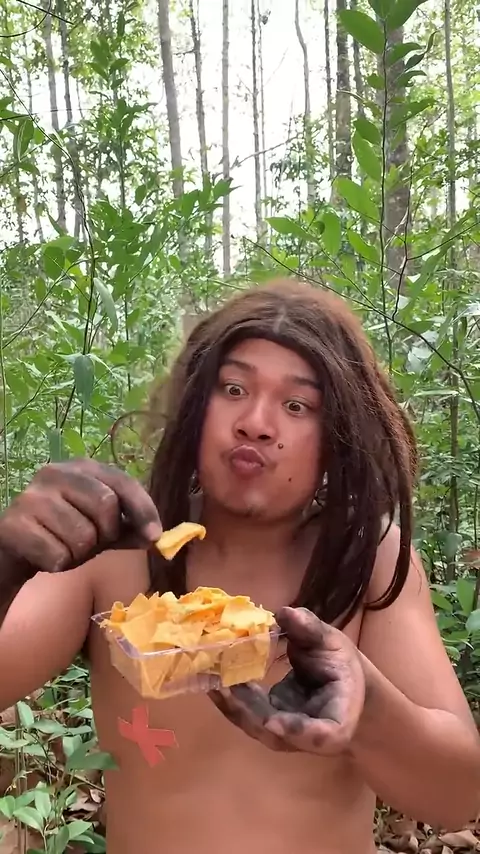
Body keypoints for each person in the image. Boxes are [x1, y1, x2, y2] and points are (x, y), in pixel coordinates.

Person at [0, 279, 479, 854]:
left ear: (338, 436)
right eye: (233, 388)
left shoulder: (368, 558)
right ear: (194, 407)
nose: (256, 421)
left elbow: (456, 796)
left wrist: (367, 704)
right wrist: (8, 564)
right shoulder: (113, 552)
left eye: (297, 405)